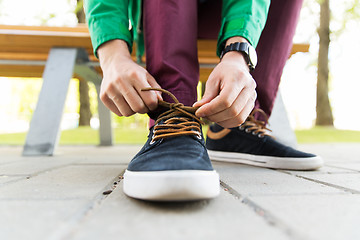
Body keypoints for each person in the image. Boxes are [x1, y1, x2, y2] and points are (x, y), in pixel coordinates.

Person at [84, 0, 323, 201]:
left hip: (221, 13)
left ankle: (237, 125)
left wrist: (237, 55)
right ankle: (175, 120)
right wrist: (113, 56)